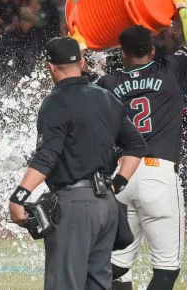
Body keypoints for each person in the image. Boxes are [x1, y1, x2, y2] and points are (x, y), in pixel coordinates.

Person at [8, 36, 147, 290]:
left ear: (50, 66)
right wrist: (115, 185)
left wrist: (19, 196)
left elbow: (47, 155)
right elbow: (136, 146)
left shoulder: (56, 101)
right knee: (98, 284)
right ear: (82, 61)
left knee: (64, 284)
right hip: (106, 206)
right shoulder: (107, 97)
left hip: (74, 206)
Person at [72, 2, 187, 288]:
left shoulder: (107, 83)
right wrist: (183, 8)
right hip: (159, 175)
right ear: (152, 49)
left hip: (122, 178)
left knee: (116, 265)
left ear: (121, 53)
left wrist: (79, 39)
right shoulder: (171, 70)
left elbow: (75, 75)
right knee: (166, 270)